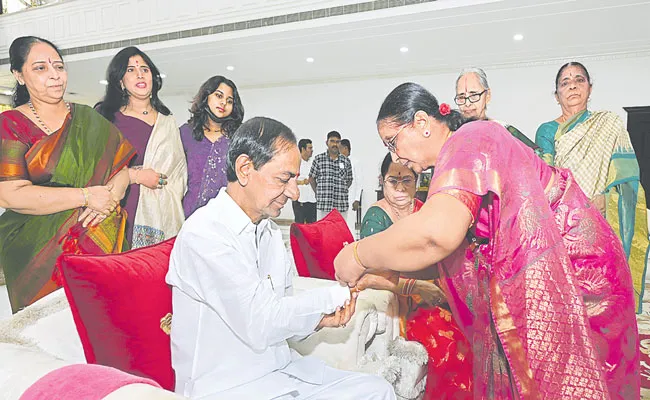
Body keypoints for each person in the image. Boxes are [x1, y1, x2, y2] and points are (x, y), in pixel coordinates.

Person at [334, 82, 640, 399]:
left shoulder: (469, 139)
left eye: (392, 142)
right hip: (563, 265)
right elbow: (452, 257)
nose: (396, 156)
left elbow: (435, 236)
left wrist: (358, 254)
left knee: (574, 376)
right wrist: (383, 272)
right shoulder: (455, 154)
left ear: (422, 123)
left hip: (575, 269)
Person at [166, 117, 395, 400]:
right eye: (284, 179)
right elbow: (262, 323)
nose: (295, 192)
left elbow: (283, 314)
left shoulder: (269, 233)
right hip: (228, 387)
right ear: (245, 169)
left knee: (378, 390)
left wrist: (319, 320)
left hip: (280, 372)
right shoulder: (206, 234)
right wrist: (337, 294)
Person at [0, 36, 134, 313]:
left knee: (105, 328)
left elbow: (122, 170)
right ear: (19, 75)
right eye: (40, 68)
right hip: (37, 255)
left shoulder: (89, 118)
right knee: (52, 338)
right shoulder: (10, 124)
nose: (54, 76)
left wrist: (108, 199)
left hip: (100, 243)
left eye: (58, 67)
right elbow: (10, 194)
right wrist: (86, 197)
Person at [535, 61, 649, 313]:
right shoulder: (547, 130)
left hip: (601, 221)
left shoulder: (609, 124)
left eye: (579, 79)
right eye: (565, 82)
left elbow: (627, 180)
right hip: (563, 222)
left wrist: (605, 201)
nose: (573, 85)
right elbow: (546, 177)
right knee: (565, 301)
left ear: (589, 88)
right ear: (557, 95)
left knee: (602, 300)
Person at [359, 153, 473, 399]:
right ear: (382, 181)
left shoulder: (424, 211)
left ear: (418, 181)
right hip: (402, 302)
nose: (400, 188)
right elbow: (371, 273)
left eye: (407, 181)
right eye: (393, 181)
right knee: (450, 343)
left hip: (438, 294)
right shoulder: (376, 217)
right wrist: (419, 287)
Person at [96, 46, 187, 248]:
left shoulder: (167, 121)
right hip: (119, 210)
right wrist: (136, 175)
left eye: (145, 69)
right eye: (130, 70)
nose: (140, 74)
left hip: (161, 214)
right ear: (120, 81)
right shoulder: (107, 117)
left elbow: (178, 173)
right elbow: (96, 168)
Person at [180, 75, 244, 218]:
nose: (223, 103)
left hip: (228, 215)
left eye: (229, 101)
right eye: (218, 96)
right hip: (192, 214)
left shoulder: (239, 137)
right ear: (206, 96)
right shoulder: (186, 133)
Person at [454, 67, 542, 157]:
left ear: (487, 95)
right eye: (461, 97)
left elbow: (537, 157)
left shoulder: (503, 130)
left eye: (474, 95)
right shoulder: (451, 133)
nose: (467, 103)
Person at [309, 131, 353, 221]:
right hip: (324, 204)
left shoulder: (346, 161)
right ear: (327, 142)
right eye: (332, 141)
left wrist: (342, 189)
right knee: (323, 232)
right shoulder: (318, 159)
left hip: (341, 205)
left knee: (339, 232)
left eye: (337, 142)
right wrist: (318, 192)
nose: (335, 144)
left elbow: (349, 180)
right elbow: (311, 178)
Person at [339, 139, 362, 236]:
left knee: (350, 224)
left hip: (351, 199)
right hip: (338, 199)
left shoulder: (355, 162)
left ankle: (350, 246)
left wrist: (357, 199)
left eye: (339, 148)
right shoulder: (337, 161)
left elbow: (359, 182)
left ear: (345, 148)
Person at [293, 138, 316, 223]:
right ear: (303, 149)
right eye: (309, 148)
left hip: (312, 199)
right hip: (300, 200)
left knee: (312, 226)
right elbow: (290, 180)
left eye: (312, 148)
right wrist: (302, 182)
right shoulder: (295, 163)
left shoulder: (313, 163)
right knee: (300, 226)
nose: (312, 150)